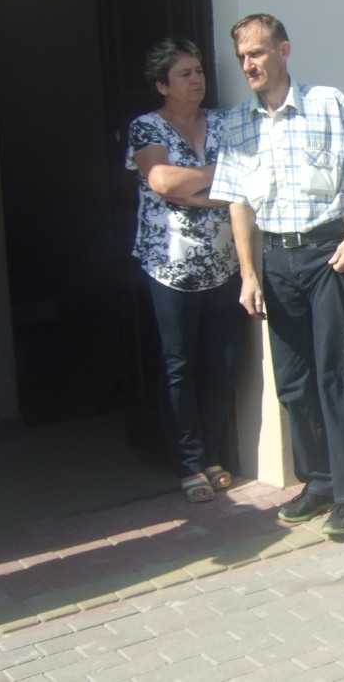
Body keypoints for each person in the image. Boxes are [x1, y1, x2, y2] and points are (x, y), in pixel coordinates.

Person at [209, 14, 344, 538]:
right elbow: (239, 204)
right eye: (242, 57)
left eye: (257, 53)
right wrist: (249, 274)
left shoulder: (328, 104)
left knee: (334, 373)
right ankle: (319, 482)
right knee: (292, 381)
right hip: (276, 262)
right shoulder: (238, 124)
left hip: (327, 253)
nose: (248, 65)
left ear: (284, 52)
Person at [126, 37, 245, 504]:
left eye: (198, 71)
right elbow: (161, 180)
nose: (197, 80)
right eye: (184, 74)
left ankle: (212, 455)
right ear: (162, 85)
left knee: (223, 362)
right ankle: (189, 463)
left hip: (224, 262)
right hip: (169, 267)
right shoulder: (146, 127)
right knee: (180, 365)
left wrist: (192, 189)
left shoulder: (224, 121)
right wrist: (221, 176)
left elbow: (245, 177)